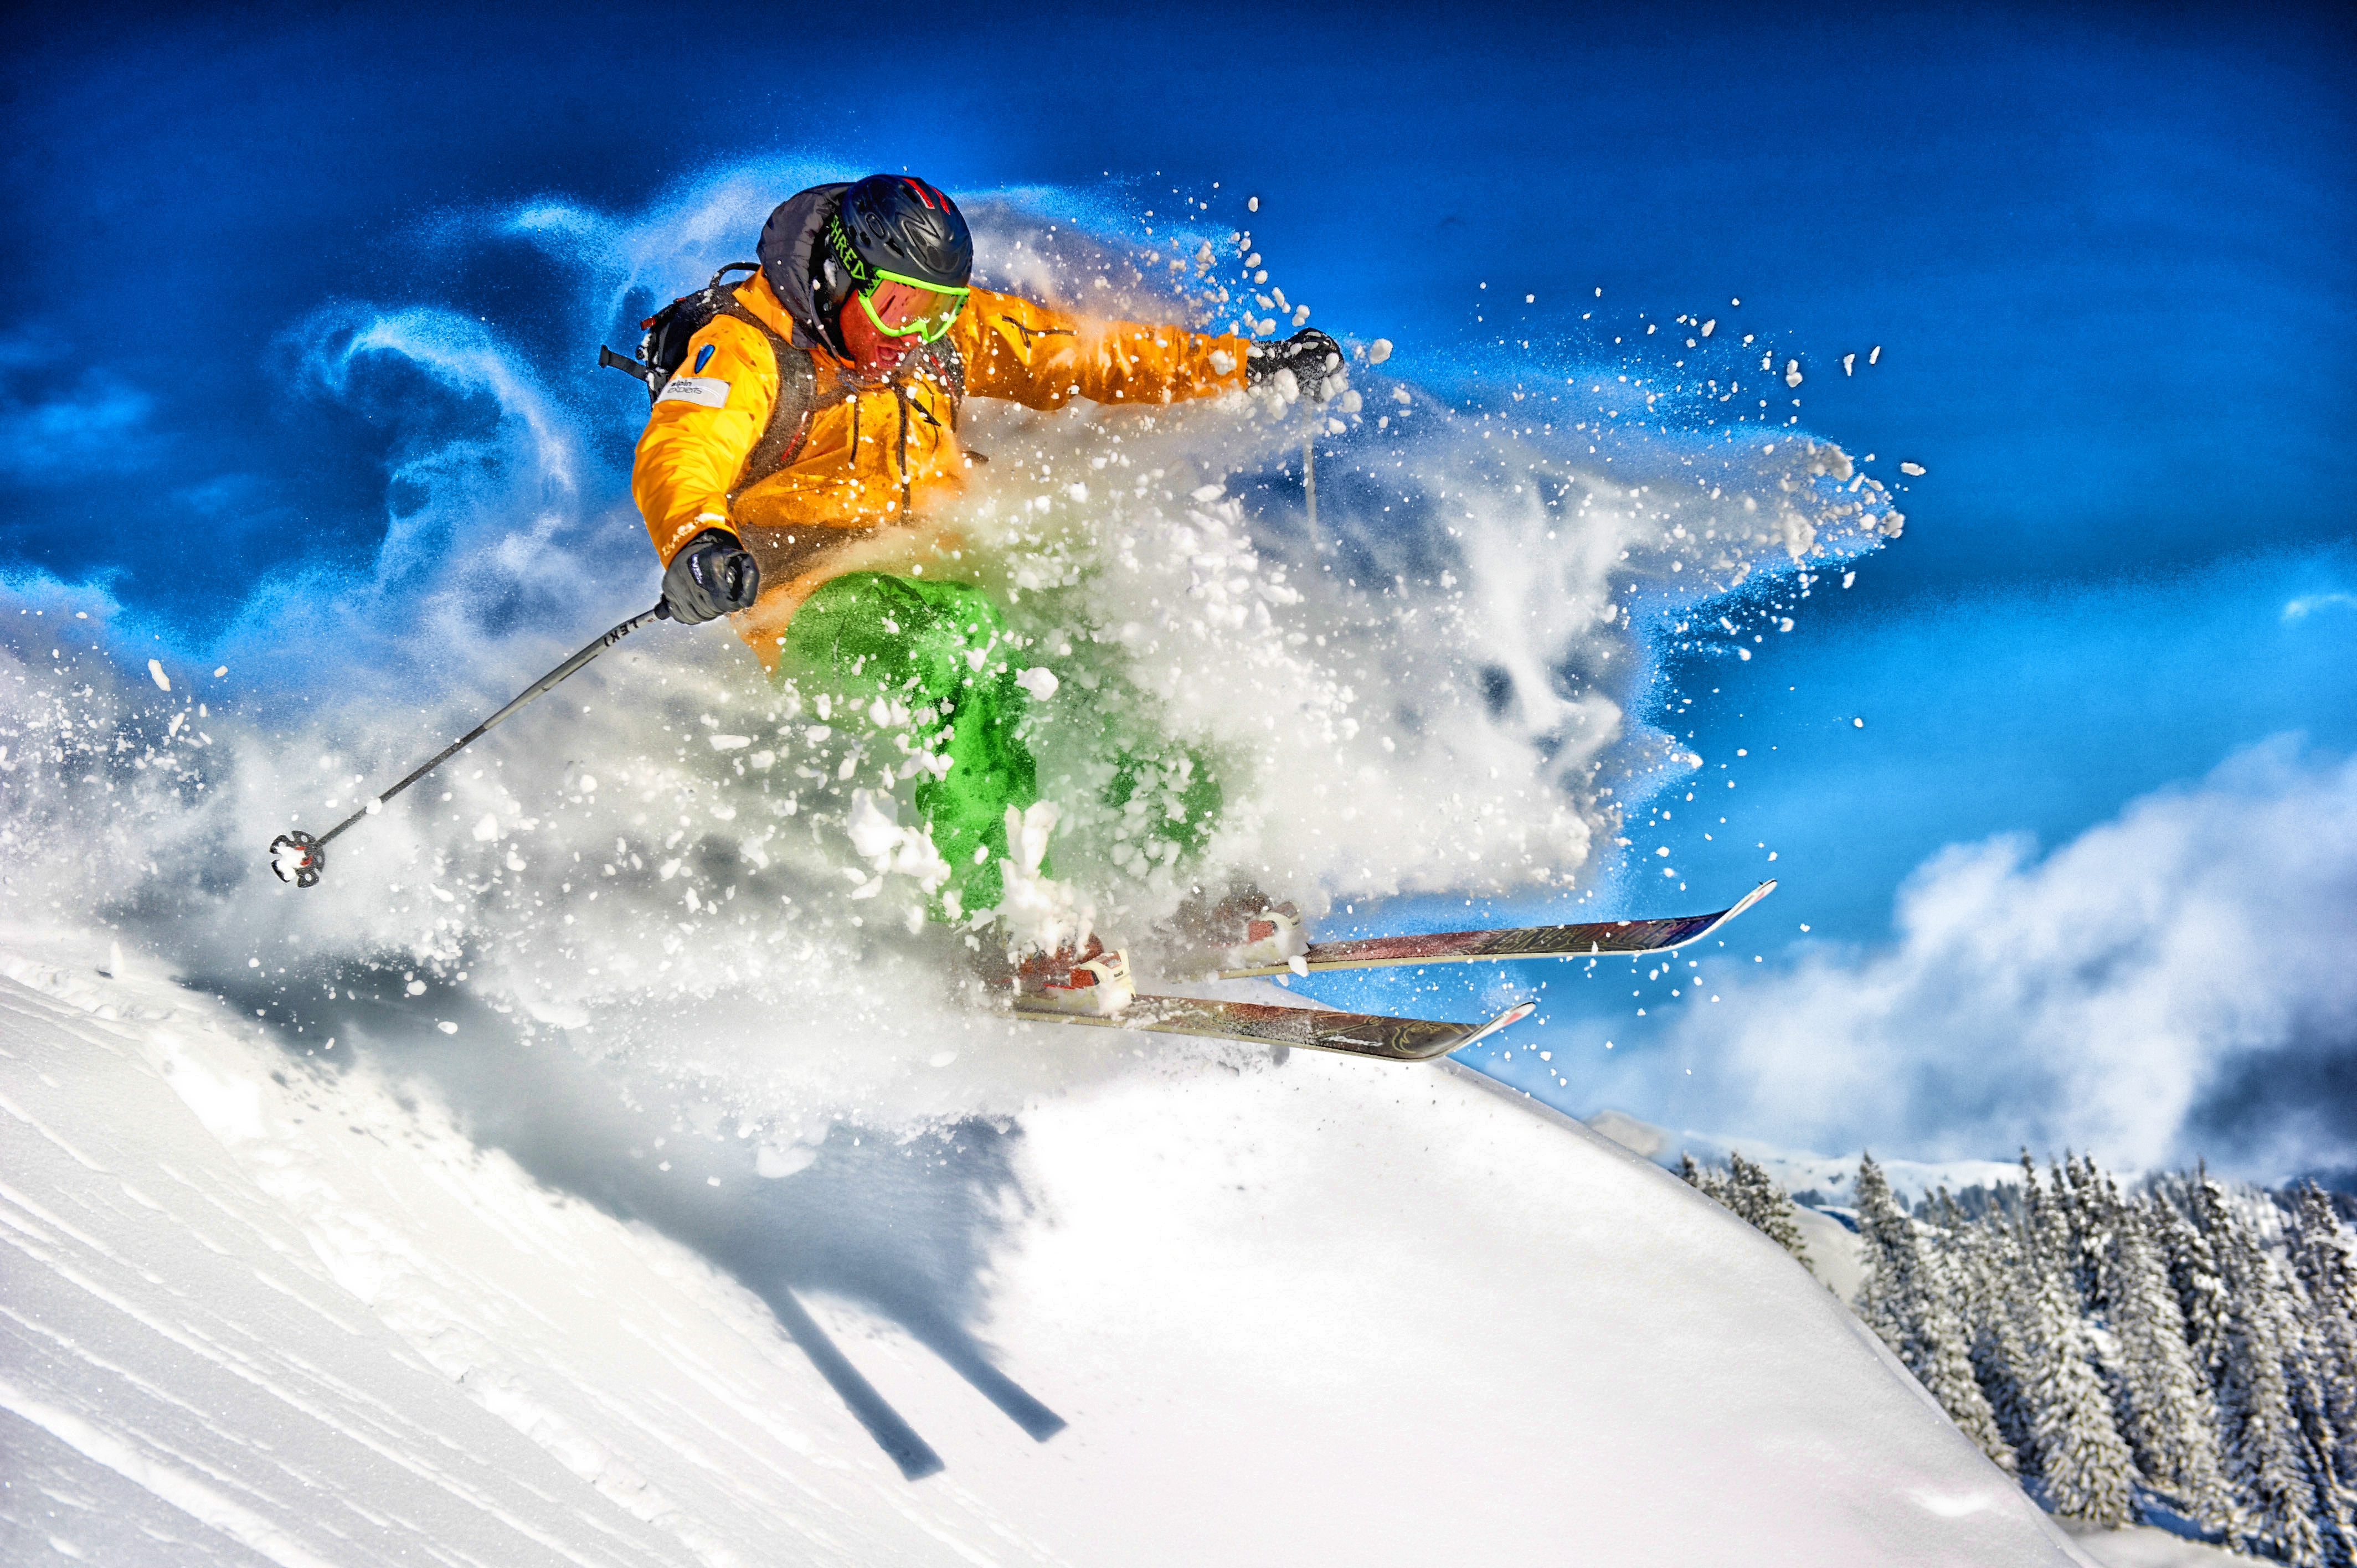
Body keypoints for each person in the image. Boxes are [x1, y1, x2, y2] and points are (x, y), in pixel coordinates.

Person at [631, 175, 1334, 1010]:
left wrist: (1245, 366)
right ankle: (1003, 925)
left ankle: (1183, 880)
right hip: (810, 604)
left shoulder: (936, 338)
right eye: (897, 307)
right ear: (839, 274)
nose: (911, 336)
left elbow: (1087, 353)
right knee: (953, 647)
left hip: (935, 571)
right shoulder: (748, 349)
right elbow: (684, 447)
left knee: (1088, 619)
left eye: (934, 311)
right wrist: (699, 541)